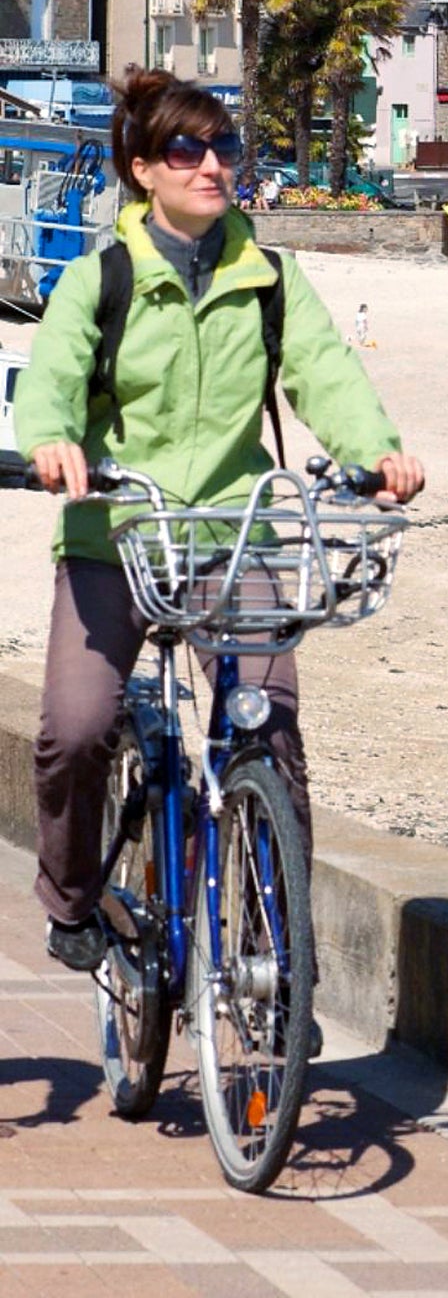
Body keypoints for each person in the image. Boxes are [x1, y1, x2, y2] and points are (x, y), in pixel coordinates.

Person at [15, 69, 426, 971]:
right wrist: (50, 443)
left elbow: (327, 375)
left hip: (232, 537)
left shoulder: (271, 280)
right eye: (185, 150)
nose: (211, 165)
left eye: (224, 148)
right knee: (76, 730)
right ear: (141, 170)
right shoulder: (100, 280)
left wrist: (380, 453)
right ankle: (75, 901)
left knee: (270, 730)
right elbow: (49, 379)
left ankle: (278, 957)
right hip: (115, 536)